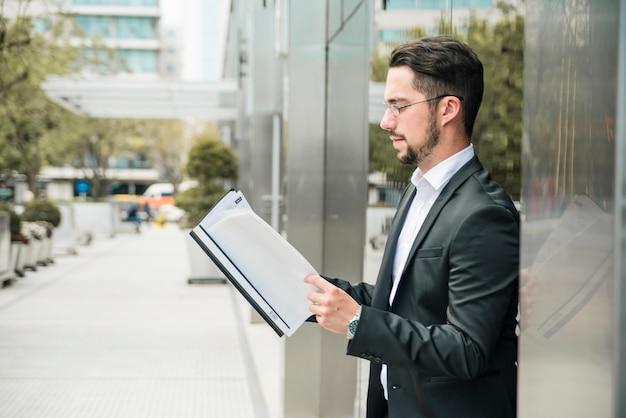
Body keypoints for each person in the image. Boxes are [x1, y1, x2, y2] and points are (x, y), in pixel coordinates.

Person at [305, 35, 519, 418]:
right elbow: (405, 301)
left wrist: (356, 322)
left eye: (399, 107)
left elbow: (467, 349)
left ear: (447, 109)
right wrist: (302, 290)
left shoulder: (485, 213)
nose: (387, 122)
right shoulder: (417, 192)